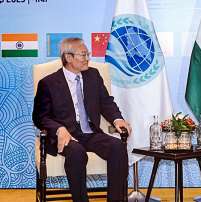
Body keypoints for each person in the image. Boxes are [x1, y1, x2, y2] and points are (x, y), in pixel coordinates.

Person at [33, 37, 131, 202]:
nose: (88, 58)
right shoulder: (48, 83)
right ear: (68, 58)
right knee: (77, 153)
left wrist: (117, 119)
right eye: (83, 55)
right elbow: (40, 117)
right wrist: (58, 129)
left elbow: (106, 102)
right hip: (66, 135)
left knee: (117, 147)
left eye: (88, 54)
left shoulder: (93, 75)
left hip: (90, 132)